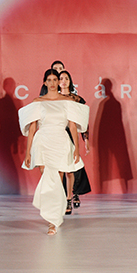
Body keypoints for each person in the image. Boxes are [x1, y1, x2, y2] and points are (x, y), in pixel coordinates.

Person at [19, 69, 89, 235]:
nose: (52, 83)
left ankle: (54, 220)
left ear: (59, 82)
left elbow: (72, 126)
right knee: (48, 180)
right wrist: (28, 152)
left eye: (55, 80)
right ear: (45, 82)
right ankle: (52, 219)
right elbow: (33, 128)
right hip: (42, 142)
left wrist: (76, 149)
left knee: (57, 181)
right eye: (49, 80)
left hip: (61, 142)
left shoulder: (67, 101)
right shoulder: (38, 101)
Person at [58, 70, 91, 213]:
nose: (64, 81)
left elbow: (83, 121)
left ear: (70, 81)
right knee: (59, 168)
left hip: (71, 134)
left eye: (66, 78)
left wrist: (86, 139)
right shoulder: (54, 98)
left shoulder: (76, 99)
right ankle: (63, 198)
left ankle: (72, 195)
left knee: (73, 167)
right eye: (61, 78)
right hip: (57, 134)